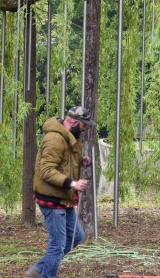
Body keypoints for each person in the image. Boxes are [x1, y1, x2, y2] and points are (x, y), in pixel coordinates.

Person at [25, 106, 95, 278]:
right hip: (52, 199)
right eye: (84, 125)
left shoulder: (70, 136)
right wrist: (72, 183)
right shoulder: (54, 138)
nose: (85, 129)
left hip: (63, 198)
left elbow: (65, 160)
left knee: (76, 237)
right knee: (57, 246)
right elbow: (47, 170)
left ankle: (38, 270)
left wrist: (82, 161)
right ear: (73, 122)